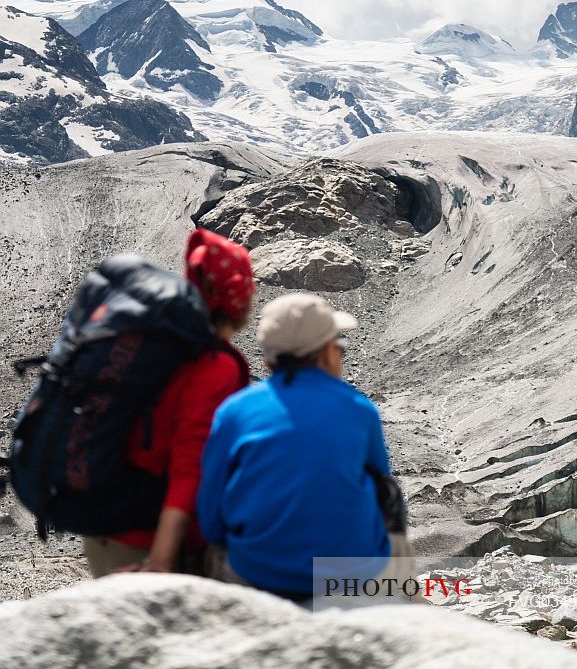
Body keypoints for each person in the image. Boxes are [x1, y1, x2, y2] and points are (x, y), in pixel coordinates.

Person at [198, 292, 411, 602]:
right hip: (349, 576)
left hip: (258, 574)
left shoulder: (233, 411)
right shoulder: (359, 409)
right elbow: (384, 491)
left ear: (267, 359)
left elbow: (210, 516)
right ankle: (402, 602)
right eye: (339, 346)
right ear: (326, 353)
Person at [84, 227, 255, 577]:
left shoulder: (156, 341)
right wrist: (161, 560)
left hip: (106, 525)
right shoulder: (215, 366)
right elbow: (189, 465)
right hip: (150, 540)